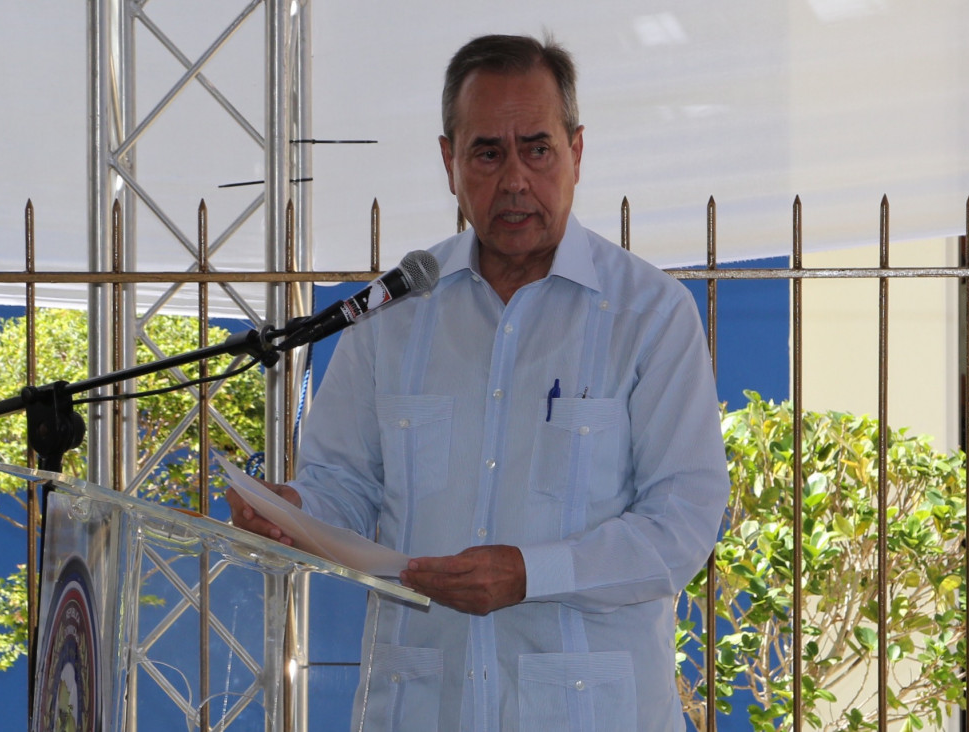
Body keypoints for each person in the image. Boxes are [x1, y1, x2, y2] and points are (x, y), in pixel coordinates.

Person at [226, 34, 730, 731]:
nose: (514, 178)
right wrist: (295, 511)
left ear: (577, 151)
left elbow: (683, 522)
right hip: (421, 708)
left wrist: (531, 573)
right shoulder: (394, 312)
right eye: (488, 153)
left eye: (537, 148)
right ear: (450, 162)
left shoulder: (649, 314)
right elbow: (344, 484)